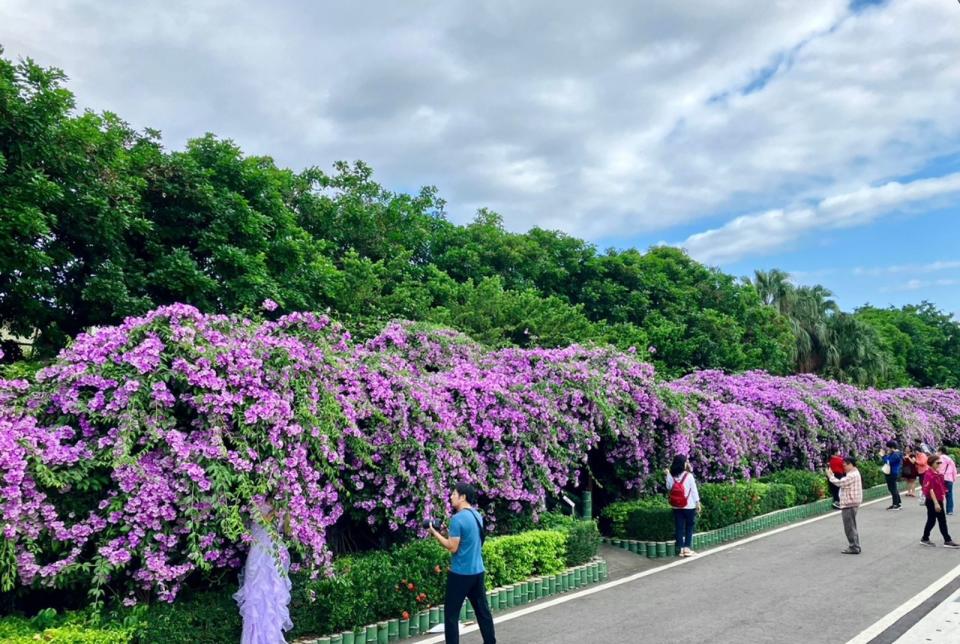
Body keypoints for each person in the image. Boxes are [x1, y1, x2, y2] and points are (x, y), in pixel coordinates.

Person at [428, 482, 496, 644]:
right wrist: (446, 532)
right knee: (483, 612)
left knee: (451, 615)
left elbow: (452, 547)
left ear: (462, 497)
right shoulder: (477, 515)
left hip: (460, 574)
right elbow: (472, 540)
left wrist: (435, 533)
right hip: (477, 571)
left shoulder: (457, 519)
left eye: (453, 494)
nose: (450, 497)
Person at [234, 503, 293, 644]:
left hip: (275, 554)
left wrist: (289, 516)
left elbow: (288, 531)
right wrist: (275, 511)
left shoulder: (284, 504)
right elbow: (263, 522)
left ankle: (272, 638)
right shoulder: (256, 503)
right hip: (258, 554)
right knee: (256, 596)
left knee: (274, 595)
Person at [920, 454, 960, 548]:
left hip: (937, 500)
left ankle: (925, 538)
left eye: (940, 462)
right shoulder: (929, 474)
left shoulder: (936, 473)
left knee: (932, 520)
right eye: (937, 463)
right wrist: (936, 503)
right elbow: (930, 490)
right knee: (941, 520)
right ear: (931, 463)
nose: (940, 464)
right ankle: (947, 540)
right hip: (933, 501)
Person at [826, 456, 863, 554]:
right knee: (851, 525)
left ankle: (854, 547)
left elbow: (840, 483)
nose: (844, 467)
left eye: (845, 465)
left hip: (849, 503)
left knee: (849, 526)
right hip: (851, 502)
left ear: (851, 464)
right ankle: (855, 546)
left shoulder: (852, 475)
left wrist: (830, 476)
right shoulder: (853, 473)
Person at [666, 455, 701, 558]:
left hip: (676, 506)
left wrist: (668, 474)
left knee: (679, 527)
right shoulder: (688, 476)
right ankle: (687, 549)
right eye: (686, 461)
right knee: (689, 527)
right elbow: (694, 490)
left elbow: (668, 487)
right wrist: (697, 503)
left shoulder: (671, 475)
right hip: (689, 506)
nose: (687, 463)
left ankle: (680, 550)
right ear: (683, 463)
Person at [881, 440, 903, 510]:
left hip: (892, 473)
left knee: (892, 488)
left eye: (888, 447)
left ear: (891, 447)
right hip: (893, 472)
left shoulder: (896, 454)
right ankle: (897, 503)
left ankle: (895, 504)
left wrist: (883, 456)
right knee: (893, 488)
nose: (887, 449)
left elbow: (888, 462)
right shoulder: (896, 453)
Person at [936, 447, 957, 515]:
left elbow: (937, 468)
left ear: (940, 451)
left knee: (939, 494)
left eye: (937, 451)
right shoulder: (950, 459)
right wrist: (953, 478)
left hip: (941, 478)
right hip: (949, 479)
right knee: (949, 495)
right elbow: (954, 470)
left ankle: (938, 509)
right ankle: (949, 510)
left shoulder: (939, 458)